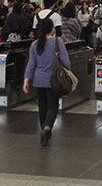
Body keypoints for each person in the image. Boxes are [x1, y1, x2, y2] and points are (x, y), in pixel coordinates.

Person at [23, 18, 70, 146]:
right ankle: (47, 128)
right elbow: (65, 61)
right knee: (52, 106)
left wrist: (26, 80)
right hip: (53, 80)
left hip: (38, 79)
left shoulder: (34, 44)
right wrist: (68, 70)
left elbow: (31, 64)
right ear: (52, 29)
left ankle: (44, 130)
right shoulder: (57, 42)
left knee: (42, 107)